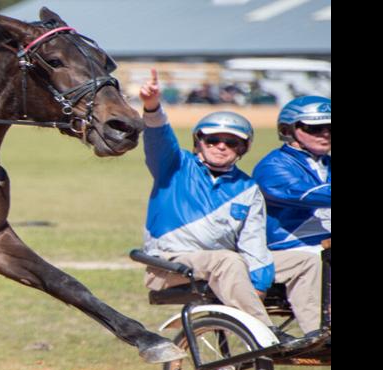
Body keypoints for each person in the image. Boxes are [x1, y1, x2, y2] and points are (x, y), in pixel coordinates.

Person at [135, 69, 281, 335]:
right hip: (169, 265)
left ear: (242, 149)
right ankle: (267, 333)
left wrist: (259, 285)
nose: (221, 146)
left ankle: (314, 340)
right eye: (213, 140)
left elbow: (254, 242)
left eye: (231, 142)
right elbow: (158, 138)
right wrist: (152, 106)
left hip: (217, 265)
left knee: (309, 262)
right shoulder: (174, 165)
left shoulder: (248, 189)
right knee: (228, 260)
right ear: (198, 142)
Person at [254, 95, 332, 344]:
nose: (325, 134)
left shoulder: (326, 163)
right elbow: (307, 195)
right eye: (314, 128)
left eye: (330, 127)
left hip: (322, 246)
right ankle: (317, 333)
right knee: (313, 261)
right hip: (284, 250)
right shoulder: (273, 166)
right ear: (288, 130)